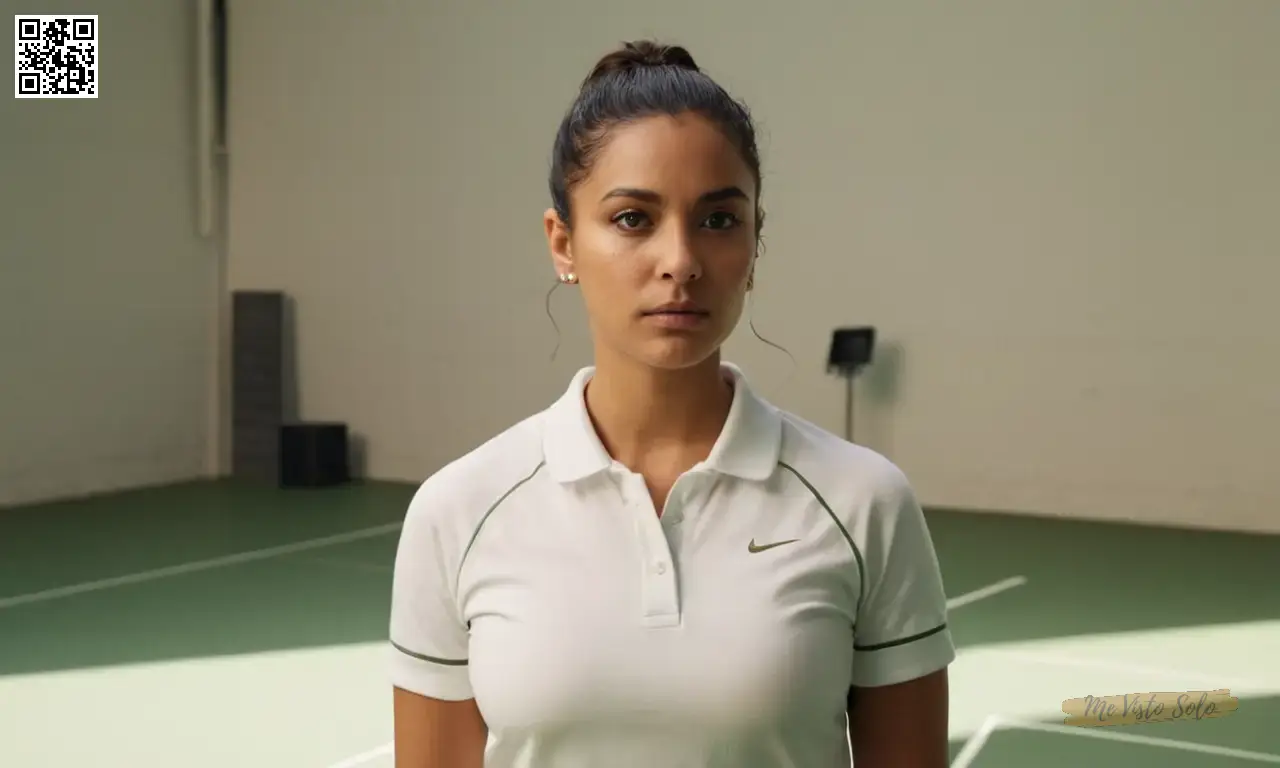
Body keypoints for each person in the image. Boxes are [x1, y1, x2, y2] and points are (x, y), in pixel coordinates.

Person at [388, 40, 954, 768]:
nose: (680, 260)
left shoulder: (862, 503)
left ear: (755, 244)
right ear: (562, 244)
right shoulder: (457, 512)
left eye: (718, 220)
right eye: (632, 219)